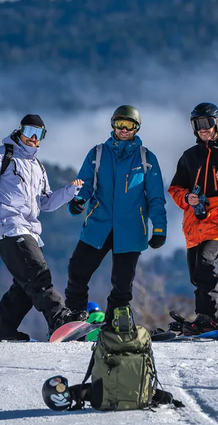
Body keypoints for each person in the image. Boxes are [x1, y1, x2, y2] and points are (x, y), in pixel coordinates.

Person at [0, 114, 81, 340]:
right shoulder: (3, 154)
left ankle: (1, 329)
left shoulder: (37, 166)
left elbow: (46, 203)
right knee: (37, 273)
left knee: (24, 284)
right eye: (29, 131)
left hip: (29, 229)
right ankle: (58, 319)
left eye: (38, 134)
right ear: (19, 130)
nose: (32, 138)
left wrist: (69, 192)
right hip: (8, 225)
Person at [64, 105, 167, 325]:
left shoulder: (146, 159)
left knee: (122, 283)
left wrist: (159, 228)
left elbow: (156, 197)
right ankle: (74, 316)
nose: (124, 129)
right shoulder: (98, 153)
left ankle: (115, 322)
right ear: (113, 125)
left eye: (129, 125)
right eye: (120, 124)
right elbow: (85, 183)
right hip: (98, 225)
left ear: (136, 128)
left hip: (131, 229)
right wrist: (78, 200)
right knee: (77, 270)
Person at [168, 102, 218, 334]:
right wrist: (187, 198)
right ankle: (210, 322)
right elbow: (175, 188)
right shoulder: (190, 156)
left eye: (207, 123)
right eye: (197, 124)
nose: (203, 129)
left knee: (205, 262)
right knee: (197, 272)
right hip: (194, 221)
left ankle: (209, 318)